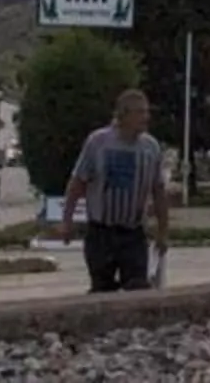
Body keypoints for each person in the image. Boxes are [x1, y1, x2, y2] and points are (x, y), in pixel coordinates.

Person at [62, 84, 171, 293]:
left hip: (133, 233)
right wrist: (67, 221)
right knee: (102, 290)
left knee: (138, 288)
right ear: (124, 115)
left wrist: (163, 231)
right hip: (102, 232)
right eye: (140, 112)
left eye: (147, 112)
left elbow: (158, 191)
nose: (146, 117)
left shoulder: (151, 147)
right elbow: (78, 183)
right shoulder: (98, 142)